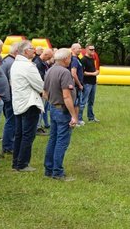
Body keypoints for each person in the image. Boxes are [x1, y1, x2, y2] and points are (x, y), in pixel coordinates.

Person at [43, 48, 77, 181]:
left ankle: (49, 168)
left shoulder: (50, 70)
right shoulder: (64, 72)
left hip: (53, 107)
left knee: (53, 139)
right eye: (70, 57)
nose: (71, 59)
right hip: (62, 110)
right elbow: (67, 96)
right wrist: (74, 115)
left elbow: (45, 93)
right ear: (65, 59)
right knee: (61, 142)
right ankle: (57, 172)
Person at [10, 41, 45, 172]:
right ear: (25, 52)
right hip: (30, 103)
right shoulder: (28, 66)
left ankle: (16, 162)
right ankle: (22, 164)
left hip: (19, 102)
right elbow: (40, 85)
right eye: (31, 48)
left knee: (19, 134)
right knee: (28, 135)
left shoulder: (15, 64)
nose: (34, 50)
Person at [0, 42, 18, 155]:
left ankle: (9, 144)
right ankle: (8, 146)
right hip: (10, 95)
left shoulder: (5, 60)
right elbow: (13, 81)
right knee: (11, 121)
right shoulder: (12, 63)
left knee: (10, 120)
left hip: (5, 95)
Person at [34, 48, 53, 135]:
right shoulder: (38, 63)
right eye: (48, 57)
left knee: (42, 108)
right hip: (40, 89)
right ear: (45, 54)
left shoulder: (42, 62)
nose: (49, 60)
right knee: (40, 108)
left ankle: (38, 125)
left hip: (43, 88)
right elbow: (40, 78)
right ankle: (37, 127)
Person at [80, 44, 100, 124]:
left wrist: (96, 72)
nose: (93, 51)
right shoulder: (83, 60)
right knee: (83, 101)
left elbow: (94, 69)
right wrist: (93, 74)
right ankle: (79, 118)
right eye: (91, 49)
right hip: (87, 83)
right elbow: (82, 72)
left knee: (91, 101)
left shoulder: (92, 59)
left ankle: (91, 117)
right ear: (86, 50)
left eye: (93, 49)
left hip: (93, 82)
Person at [69, 43, 84, 122]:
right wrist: (79, 84)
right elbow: (73, 73)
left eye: (80, 48)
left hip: (77, 84)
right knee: (76, 103)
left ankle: (76, 119)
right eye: (78, 48)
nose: (80, 50)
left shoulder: (77, 58)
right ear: (73, 49)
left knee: (77, 103)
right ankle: (75, 120)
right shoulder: (74, 59)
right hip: (76, 85)